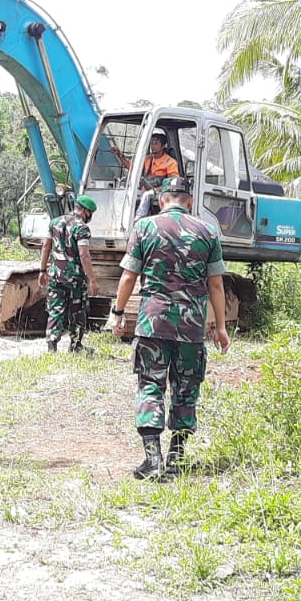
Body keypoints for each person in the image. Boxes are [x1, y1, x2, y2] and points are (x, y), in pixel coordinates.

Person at [110, 177, 230, 481]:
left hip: (153, 322)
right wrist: (221, 327)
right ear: (188, 201)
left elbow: (127, 277)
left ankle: (153, 459)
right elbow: (216, 283)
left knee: (151, 384)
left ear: (162, 200)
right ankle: (177, 456)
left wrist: (118, 312)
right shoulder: (207, 230)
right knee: (186, 387)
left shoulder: (145, 228)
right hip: (191, 326)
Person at [38, 195, 101, 353]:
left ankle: (51, 346)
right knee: (77, 311)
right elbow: (84, 255)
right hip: (75, 278)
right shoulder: (82, 228)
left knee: (55, 310)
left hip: (55, 275)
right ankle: (75, 346)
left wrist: (42, 270)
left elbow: (46, 246)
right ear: (86, 211)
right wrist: (92, 280)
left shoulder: (55, 222)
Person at [121, 136, 182, 219]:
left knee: (147, 195)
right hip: (145, 188)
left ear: (163, 146)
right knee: (128, 192)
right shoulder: (147, 159)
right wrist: (120, 156)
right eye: (152, 144)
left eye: (156, 144)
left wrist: (159, 188)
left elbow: (173, 181)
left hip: (161, 191)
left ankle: (139, 217)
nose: (153, 146)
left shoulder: (170, 162)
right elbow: (132, 168)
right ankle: (124, 215)